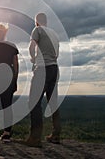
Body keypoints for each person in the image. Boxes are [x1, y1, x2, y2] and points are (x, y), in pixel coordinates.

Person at [26, 13, 61, 147]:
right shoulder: (55, 34)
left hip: (42, 69)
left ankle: (35, 138)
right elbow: (57, 54)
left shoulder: (37, 30)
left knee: (34, 102)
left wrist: (34, 59)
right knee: (53, 102)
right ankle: (56, 135)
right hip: (54, 68)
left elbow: (31, 47)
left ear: (37, 22)